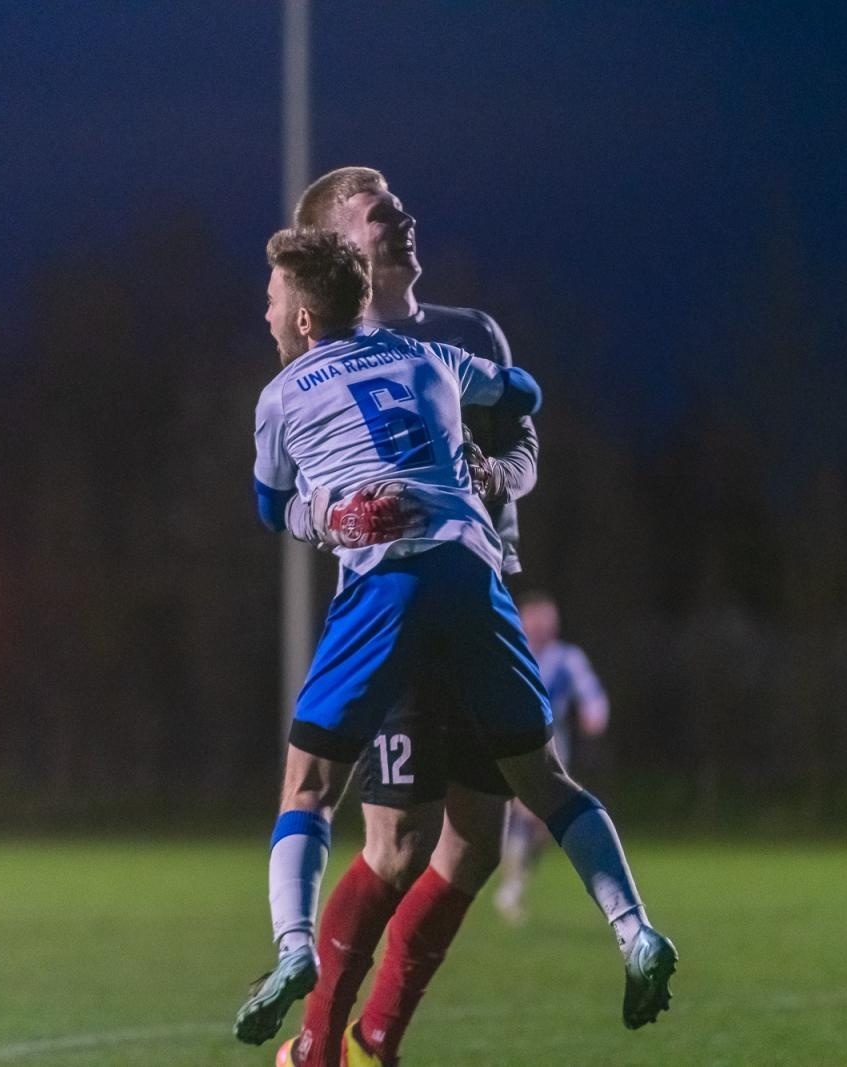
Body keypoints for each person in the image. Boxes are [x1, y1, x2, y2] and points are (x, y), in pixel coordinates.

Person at [237, 228, 676, 1058]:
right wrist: (478, 446)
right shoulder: (428, 358)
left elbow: (270, 508)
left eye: (270, 297)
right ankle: (635, 931)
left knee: (307, 786)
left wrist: (330, 515)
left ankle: (294, 947)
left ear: (301, 318)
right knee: (543, 781)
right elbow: (526, 393)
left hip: (387, 581)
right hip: (473, 574)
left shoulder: (283, 395)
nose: (264, 309)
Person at [277, 166, 540, 1067]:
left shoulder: (469, 332)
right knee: (394, 843)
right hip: (396, 605)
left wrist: (504, 475)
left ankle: (374, 1038)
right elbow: (307, 496)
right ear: (345, 248)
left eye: (401, 203)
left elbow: (523, 440)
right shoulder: (326, 362)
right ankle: (316, 1049)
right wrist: (347, 513)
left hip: (481, 594)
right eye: (379, 210)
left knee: (475, 844)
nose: (403, 215)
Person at [495, 591, 611, 925]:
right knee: (529, 812)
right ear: (522, 618)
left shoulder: (566, 657)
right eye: (536, 618)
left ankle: (513, 881)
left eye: (549, 620)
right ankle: (511, 887)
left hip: (554, 746)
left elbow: (590, 691)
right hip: (509, 740)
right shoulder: (507, 649)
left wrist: (595, 713)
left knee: (545, 828)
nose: (542, 626)